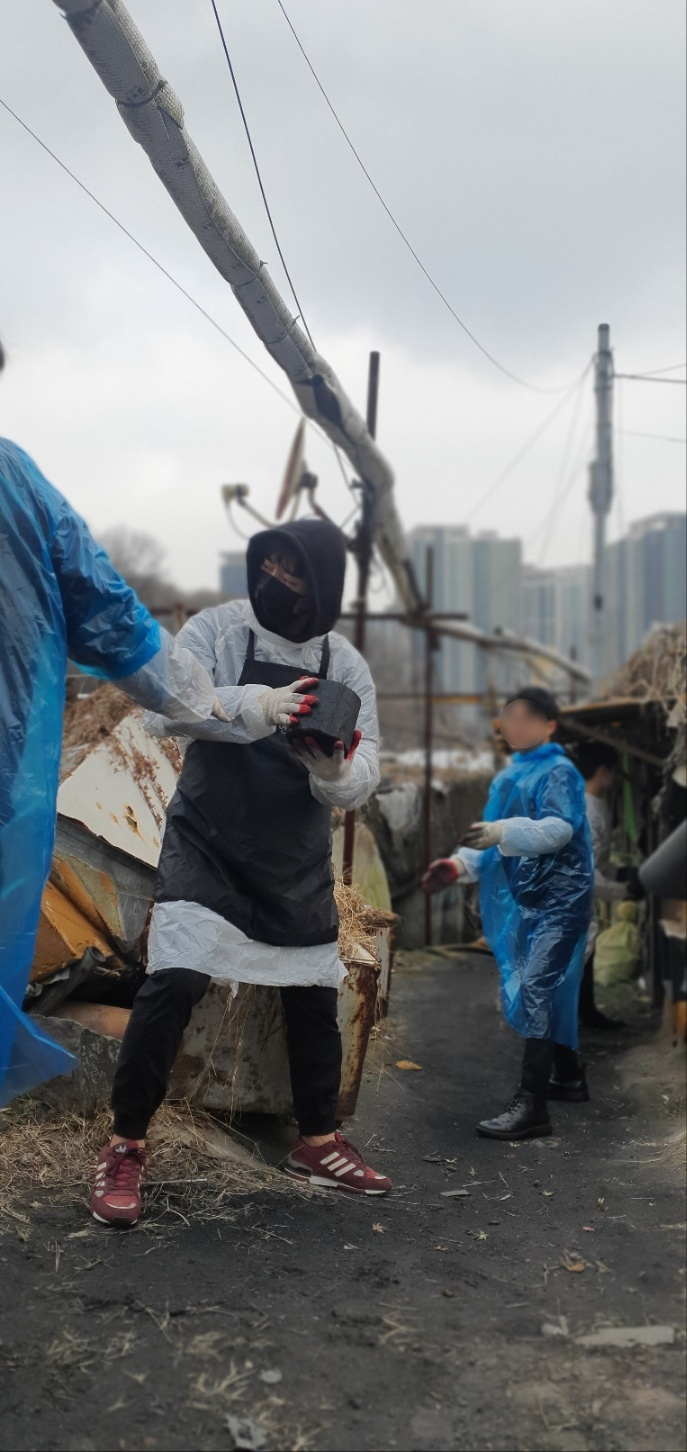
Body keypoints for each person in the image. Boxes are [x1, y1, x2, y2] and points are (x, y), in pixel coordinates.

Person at [90, 517, 392, 1225]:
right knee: (174, 983)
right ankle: (125, 1145)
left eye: (294, 572)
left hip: (292, 857)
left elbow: (366, 769)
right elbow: (164, 709)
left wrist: (333, 770)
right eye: (270, 565)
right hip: (209, 843)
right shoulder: (218, 631)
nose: (275, 580)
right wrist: (256, 705)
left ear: (323, 587)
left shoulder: (344, 663)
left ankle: (317, 1142)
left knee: (314, 994)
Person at [0, 341, 228, 1108]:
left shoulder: (14, 484)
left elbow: (108, 614)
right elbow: (109, 615)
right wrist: (206, 704)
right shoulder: (15, 484)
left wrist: (213, 706)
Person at [423, 686, 594, 1140]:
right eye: (509, 717)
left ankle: (532, 1104)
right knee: (550, 986)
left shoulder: (559, 772)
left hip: (562, 900)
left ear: (549, 725)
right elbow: (487, 836)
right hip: (528, 900)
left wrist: (502, 831)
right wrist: (458, 864)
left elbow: (559, 829)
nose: (515, 725)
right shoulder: (508, 777)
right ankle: (568, 1077)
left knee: (537, 985)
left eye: (526, 717)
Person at [573, 740, 642, 1030]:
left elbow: (598, 860)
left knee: (584, 956)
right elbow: (589, 873)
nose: (615, 777)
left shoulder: (596, 804)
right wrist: (625, 890)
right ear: (602, 771)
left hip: (580, 893)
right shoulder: (587, 811)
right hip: (572, 895)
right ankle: (556, 1041)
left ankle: (586, 1014)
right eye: (613, 770)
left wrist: (622, 873)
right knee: (574, 961)